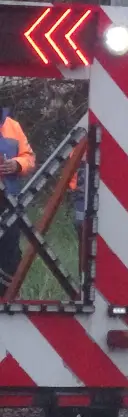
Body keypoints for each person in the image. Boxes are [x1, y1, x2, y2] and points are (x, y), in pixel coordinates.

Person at [0, 108, 35, 285]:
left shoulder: (13, 126)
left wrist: (17, 164)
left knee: (10, 256)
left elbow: (29, 157)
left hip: (9, 202)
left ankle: (8, 296)